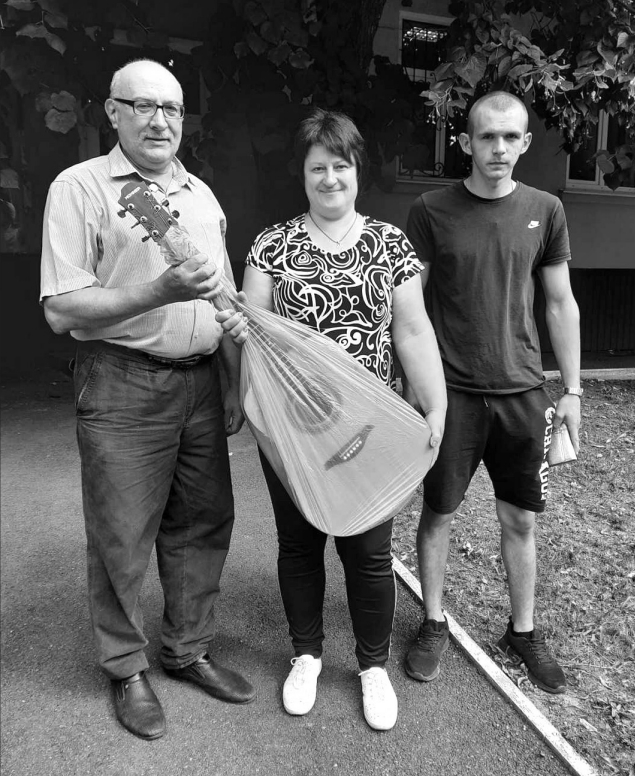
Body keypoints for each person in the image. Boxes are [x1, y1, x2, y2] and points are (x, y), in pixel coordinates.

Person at [40, 58, 256, 741]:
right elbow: (60, 307)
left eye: (172, 109)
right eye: (143, 105)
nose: (160, 120)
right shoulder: (80, 188)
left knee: (202, 521)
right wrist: (157, 292)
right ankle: (126, 667)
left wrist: (231, 379)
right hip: (122, 379)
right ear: (113, 111)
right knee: (122, 533)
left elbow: (222, 296)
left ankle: (187, 648)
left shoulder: (201, 195)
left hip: (201, 381)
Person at [216, 108, 447, 731]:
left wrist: (435, 403)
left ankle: (372, 666)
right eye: (317, 167)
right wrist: (238, 338)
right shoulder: (272, 245)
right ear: (303, 174)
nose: (329, 178)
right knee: (298, 545)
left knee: (369, 552)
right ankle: (307, 655)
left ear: (357, 170)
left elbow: (412, 330)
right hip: (292, 430)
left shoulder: (390, 244)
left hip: (370, 428)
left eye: (339, 166)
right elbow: (252, 332)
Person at [403, 91, 582, 694]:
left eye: (510, 137)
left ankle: (522, 632)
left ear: (525, 143)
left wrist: (573, 390)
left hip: (523, 393)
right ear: (466, 142)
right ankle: (433, 622)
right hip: (451, 393)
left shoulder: (546, 209)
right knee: (438, 513)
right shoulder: (431, 210)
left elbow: (560, 302)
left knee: (520, 518)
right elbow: (411, 305)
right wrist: (415, 384)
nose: (498, 148)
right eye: (486, 136)